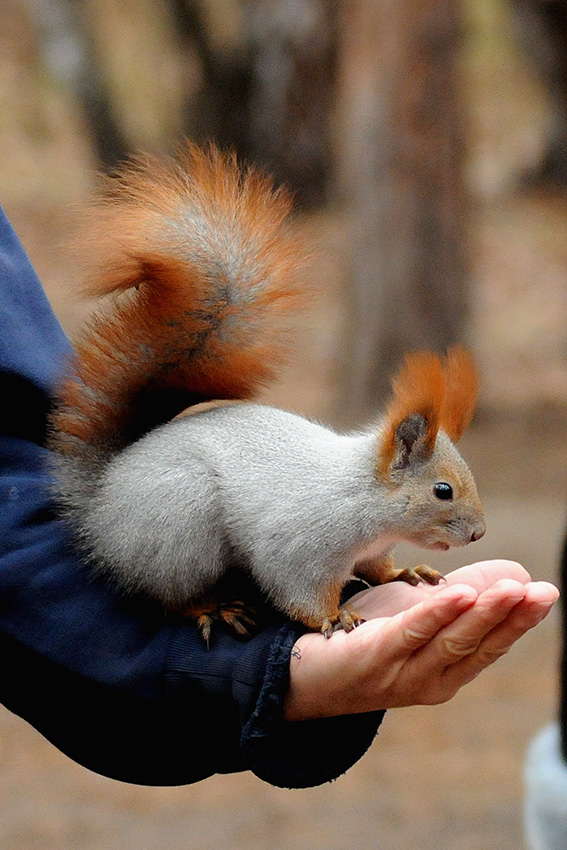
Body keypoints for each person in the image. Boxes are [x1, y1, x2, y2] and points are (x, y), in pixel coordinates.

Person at [0, 204, 559, 789]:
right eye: (444, 495)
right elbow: (285, 559)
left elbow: (360, 546)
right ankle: (188, 602)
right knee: (196, 504)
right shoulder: (338, 507)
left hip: (204, 489)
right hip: (148, 509)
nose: (470, 526)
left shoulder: (367, 514)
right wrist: (323, 616)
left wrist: (384, 573)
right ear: (400, 456)